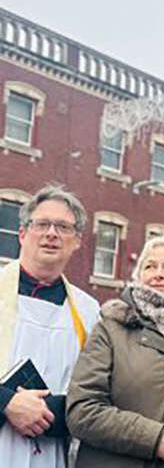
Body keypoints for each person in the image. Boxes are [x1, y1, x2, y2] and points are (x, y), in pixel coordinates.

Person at [67, 233, 164, 467]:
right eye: (150, 266)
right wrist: (155, 440)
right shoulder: (111, 329)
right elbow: (82, 410)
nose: (158, 274)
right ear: (139, 276)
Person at [0, 185, 100, 468]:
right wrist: (6, 403)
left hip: (51, 451)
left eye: (63, 227)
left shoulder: (89, 311)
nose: (51, 234)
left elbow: (98, 391)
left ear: (77, 241)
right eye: (42, 224)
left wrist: (46, 412)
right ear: (22, 234)